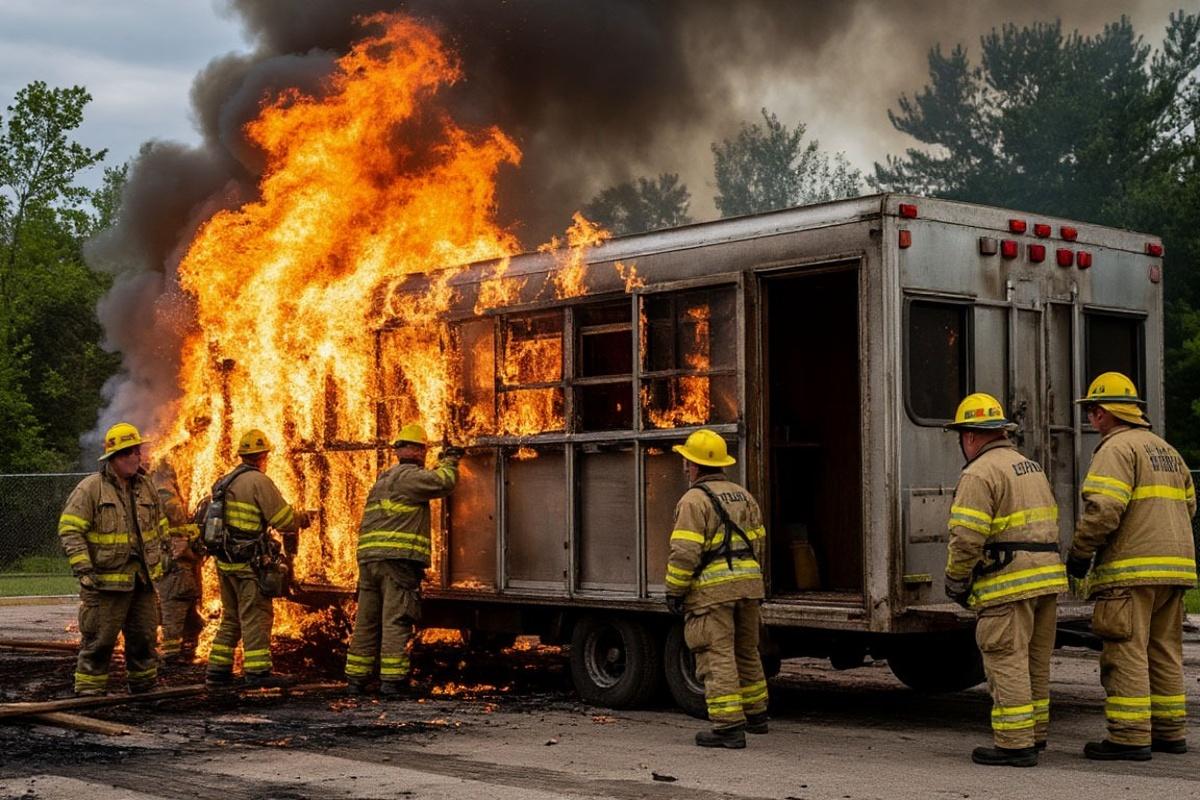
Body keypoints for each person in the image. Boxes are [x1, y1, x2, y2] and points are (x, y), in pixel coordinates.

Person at [1066, 372, 1196, 760]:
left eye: (1092, 410)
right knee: (1164, 650)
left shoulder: (1115, 449)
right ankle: (1170, 731)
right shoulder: (1166, 450)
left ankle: (1129, 736)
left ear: (1105, 413)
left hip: (1130, 572)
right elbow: (1190, 505)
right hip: (1175, 571)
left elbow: (1103, 509)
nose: (1090, 418)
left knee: (1126, 651)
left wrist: (1080, 552)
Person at [942, 393, 1067, 767]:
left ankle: (1015, 744)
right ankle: (1035, 734)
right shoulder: (1030, 466)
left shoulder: (979, 473)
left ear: (971, 436)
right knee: (1035, 662)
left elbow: (966, 536)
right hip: (1045, 581)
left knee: (1006, 659)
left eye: (962, 436)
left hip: (1007, 583)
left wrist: (956, 580)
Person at [663, 428, 768, 749]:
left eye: (686, 461)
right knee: (747, 650)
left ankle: (728, 727)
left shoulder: (693, 501)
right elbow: (758, 543)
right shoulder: (743, 496)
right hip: (749, 587)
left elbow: (684, 552)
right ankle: (757, 715)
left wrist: (675, 591)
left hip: (713, 593)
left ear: (694, 466)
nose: (684, 467)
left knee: (716, 654)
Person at [344, 423, 460, 696]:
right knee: (396, 619)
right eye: (422, 448)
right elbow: (444, 482)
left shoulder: (384, 478)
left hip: (370, 561)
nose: (422, 453)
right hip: (395, 563)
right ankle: (392, 682)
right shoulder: (410, 477)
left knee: (367, 621)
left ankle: (356, 679)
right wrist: (451, 460)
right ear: (418, 450)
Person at [57, 422, 169, 695]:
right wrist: (83, 567)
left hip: (141, 581)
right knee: (100, 641)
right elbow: (70, 529)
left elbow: (160, 523)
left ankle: (144, 689)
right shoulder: (91, 489)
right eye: (129, 452)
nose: (136, 457)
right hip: (104, 583)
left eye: (137, 451)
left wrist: (164, 554)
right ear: (114, 457)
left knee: (144, 638)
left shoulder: (146, 487)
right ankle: (89, 693)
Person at [205, 429, 310, 689]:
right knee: (256, 615)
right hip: (248, 564)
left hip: (225, 561)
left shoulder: (224, 480)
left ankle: (217, 671)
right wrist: (302, 518)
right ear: (262, 456)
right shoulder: (258, 481)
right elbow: (283, 520)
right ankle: (257, 671)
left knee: (231, 617)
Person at [148, 456, 204, 663]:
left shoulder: (151, 491)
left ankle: (187, 651)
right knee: (175, 608)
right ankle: (172, 655)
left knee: (190, 615)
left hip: (168, 563)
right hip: (175, 566)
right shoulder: (166, 494)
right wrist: (194, 546)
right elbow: (179, 533)